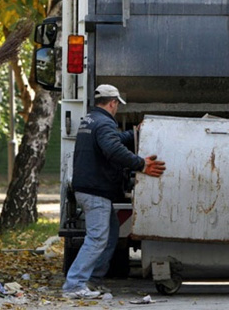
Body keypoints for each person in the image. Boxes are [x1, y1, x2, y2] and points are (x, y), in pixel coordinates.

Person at [62, 84, 166, 299]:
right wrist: (141, 164)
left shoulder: (90, 121)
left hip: (89, 188)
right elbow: (113, 149)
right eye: (117, 104)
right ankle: (74, 285)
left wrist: (134, 133)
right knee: (98, 238)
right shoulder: (105, 123)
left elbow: (111, 141)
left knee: (109, 235)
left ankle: (93, 280)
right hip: (96, 191)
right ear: (113, 103)